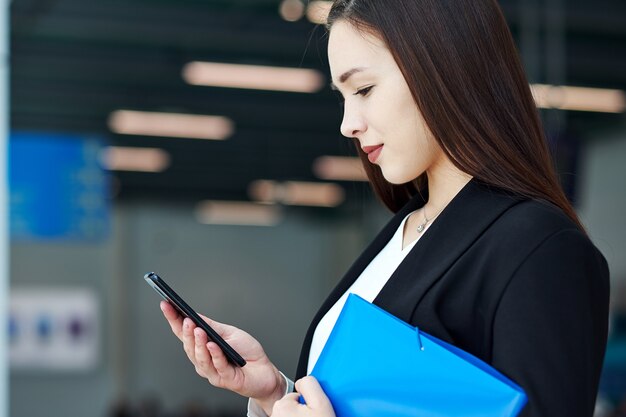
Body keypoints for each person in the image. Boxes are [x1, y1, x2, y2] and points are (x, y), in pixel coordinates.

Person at [160, 1, 610, 416]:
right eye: (343, 96)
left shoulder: (541, 249)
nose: (347, 124)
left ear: (445, 69)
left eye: (364, 88)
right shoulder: (405, 228)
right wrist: (276, 392)